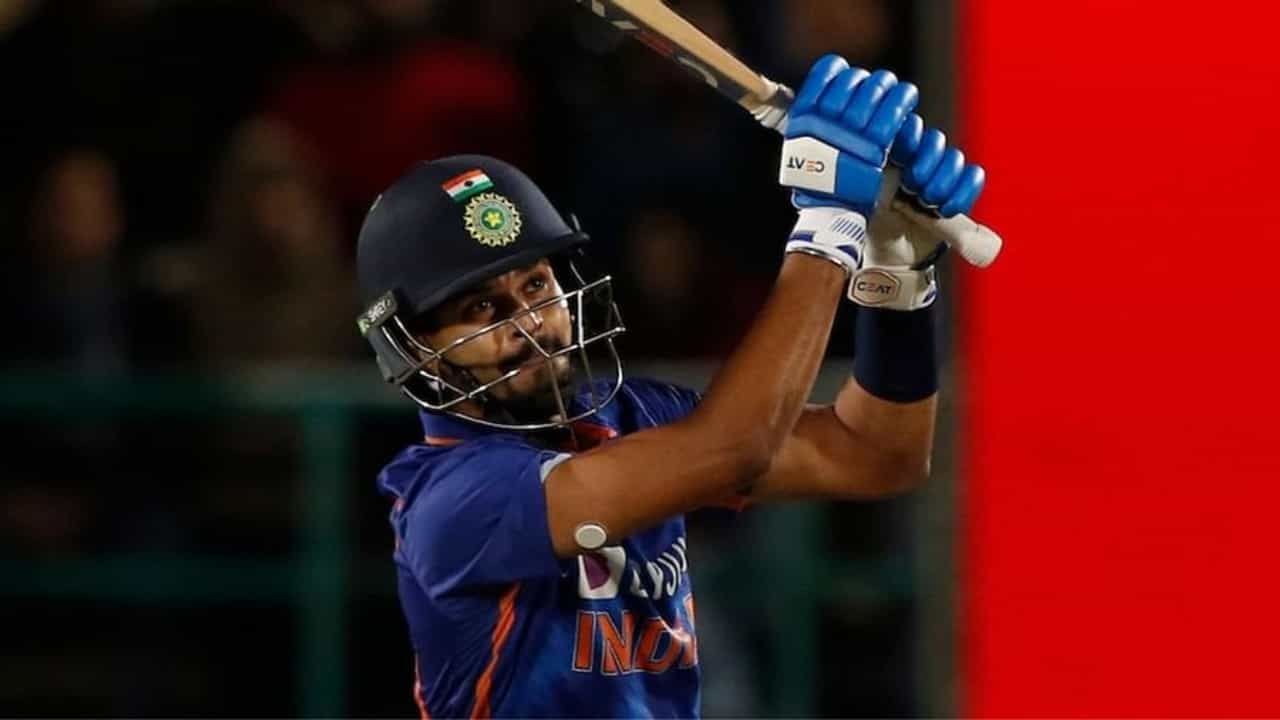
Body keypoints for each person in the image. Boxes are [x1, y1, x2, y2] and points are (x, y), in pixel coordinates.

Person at [355, 55, 985, 718]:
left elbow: (876, 454)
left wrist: (896, 274)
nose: (530, 323)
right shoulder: (451, 497)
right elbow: (732, 450)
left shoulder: (635, 414)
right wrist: (830, 228)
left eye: (536, 285)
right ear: (415, 348)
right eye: (483, 308)